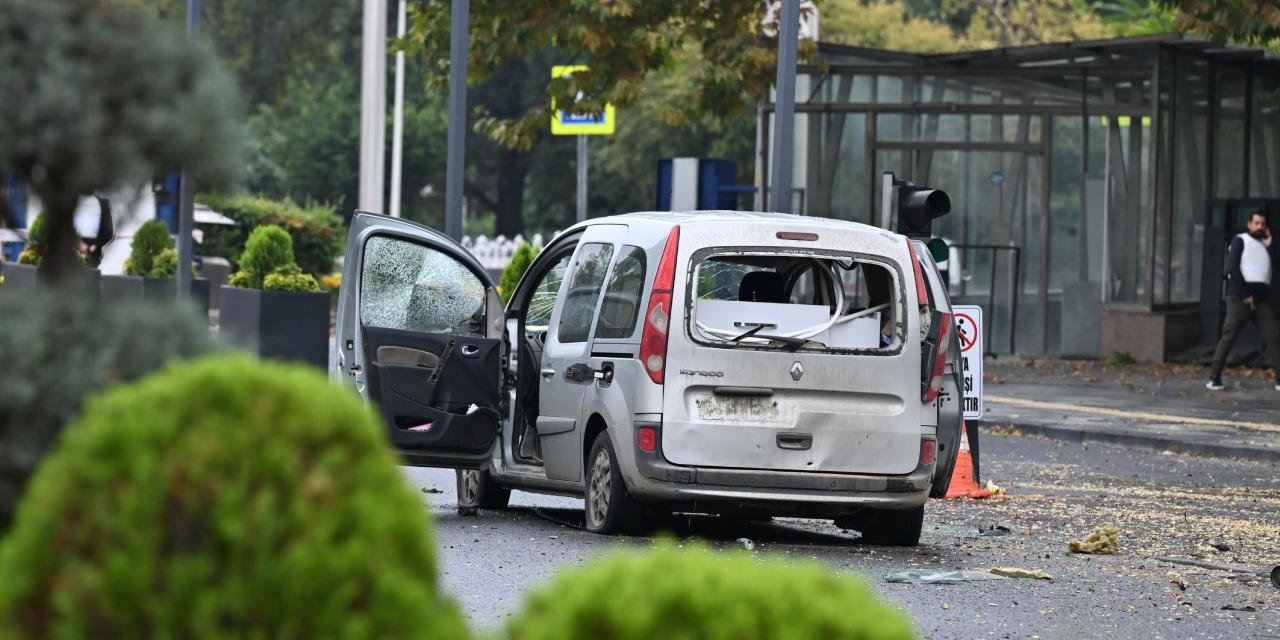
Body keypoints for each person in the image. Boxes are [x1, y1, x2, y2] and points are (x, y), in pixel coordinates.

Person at [1207, 210, 1280, 391]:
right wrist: (1245, 294)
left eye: (1263, 224)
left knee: (1274, 336)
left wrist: (1270, 245)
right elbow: (1233, 268)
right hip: (1240, 298)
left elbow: (1275, 266)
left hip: (1261, 301)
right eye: (1256, 223)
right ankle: (1214, 377)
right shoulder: (1240, 240)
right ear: (1249, 224)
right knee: (1228, 337)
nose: (1260, 226)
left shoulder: (1266, 244)